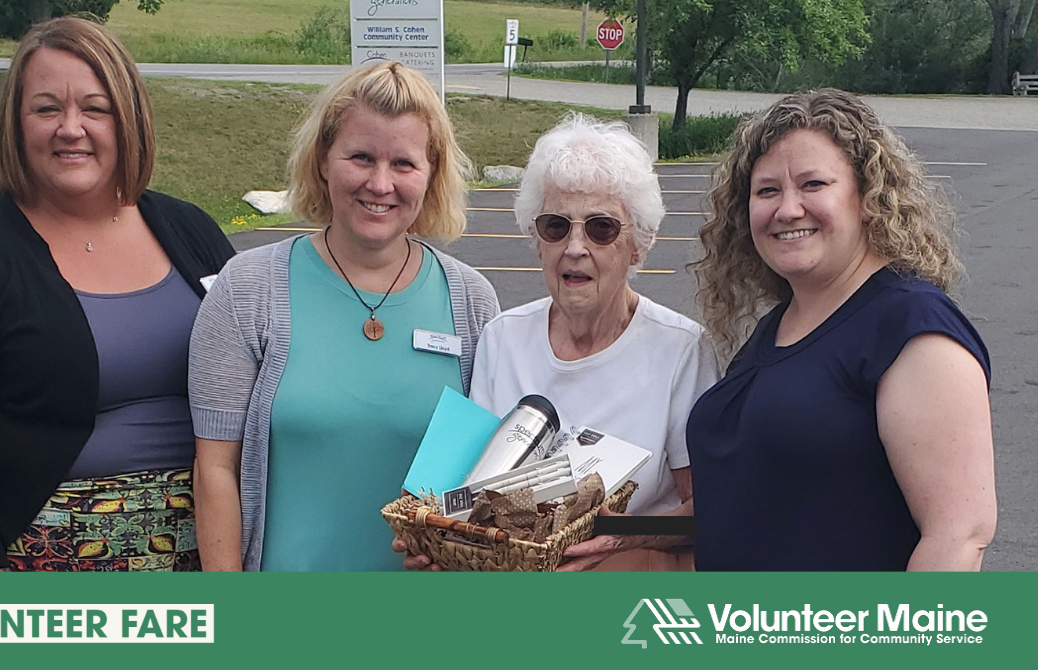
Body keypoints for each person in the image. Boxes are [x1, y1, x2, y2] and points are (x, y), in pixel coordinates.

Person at [0, 17, 236, 571]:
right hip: (42, 563)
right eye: (47, 108)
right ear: (16, 122)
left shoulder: (190, 230)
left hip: (212, 554)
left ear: (128, 120)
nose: (70, 128)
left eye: (94, 108)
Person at [189, 61, 500, 572]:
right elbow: (215, 470)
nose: (380, 183)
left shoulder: (472, 301)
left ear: (431, 174)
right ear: (323, 161)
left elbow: (490, 478)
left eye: (403, 163)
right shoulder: (246, 290)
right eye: (360, 157)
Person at [687, 89, 996, 571]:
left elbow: (957, 538)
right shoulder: (778, 327)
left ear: (867, 195)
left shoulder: (911, 327)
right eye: (767, 191)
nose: (787, 209)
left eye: (813, 184)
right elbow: (754, 503)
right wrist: (619, 532)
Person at [396, 113, 719, 572]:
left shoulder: (681, 349)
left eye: (601, 228)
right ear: (536, 237)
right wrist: (441, 540)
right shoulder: (503, 337)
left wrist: (617, 536)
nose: (575, 246)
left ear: (639, 245)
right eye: (555, 226)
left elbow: (710, 511)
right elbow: (473, 495)